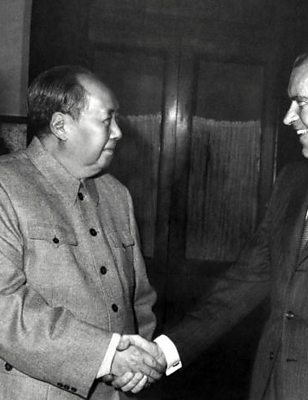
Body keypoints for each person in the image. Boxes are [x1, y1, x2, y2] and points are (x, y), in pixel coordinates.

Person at [113, 38, 308, 399]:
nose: (288, 117)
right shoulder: (292, 181)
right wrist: (163, 353)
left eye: (301, 102)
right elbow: (244, 283)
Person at [0, 65, 178, 399]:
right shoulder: (5, 187)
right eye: (106, 120)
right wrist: (106, 357)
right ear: (61, 126)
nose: (118, 132)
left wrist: (137, 365)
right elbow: (4, 310)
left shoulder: (117, 195)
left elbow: (139, 301)